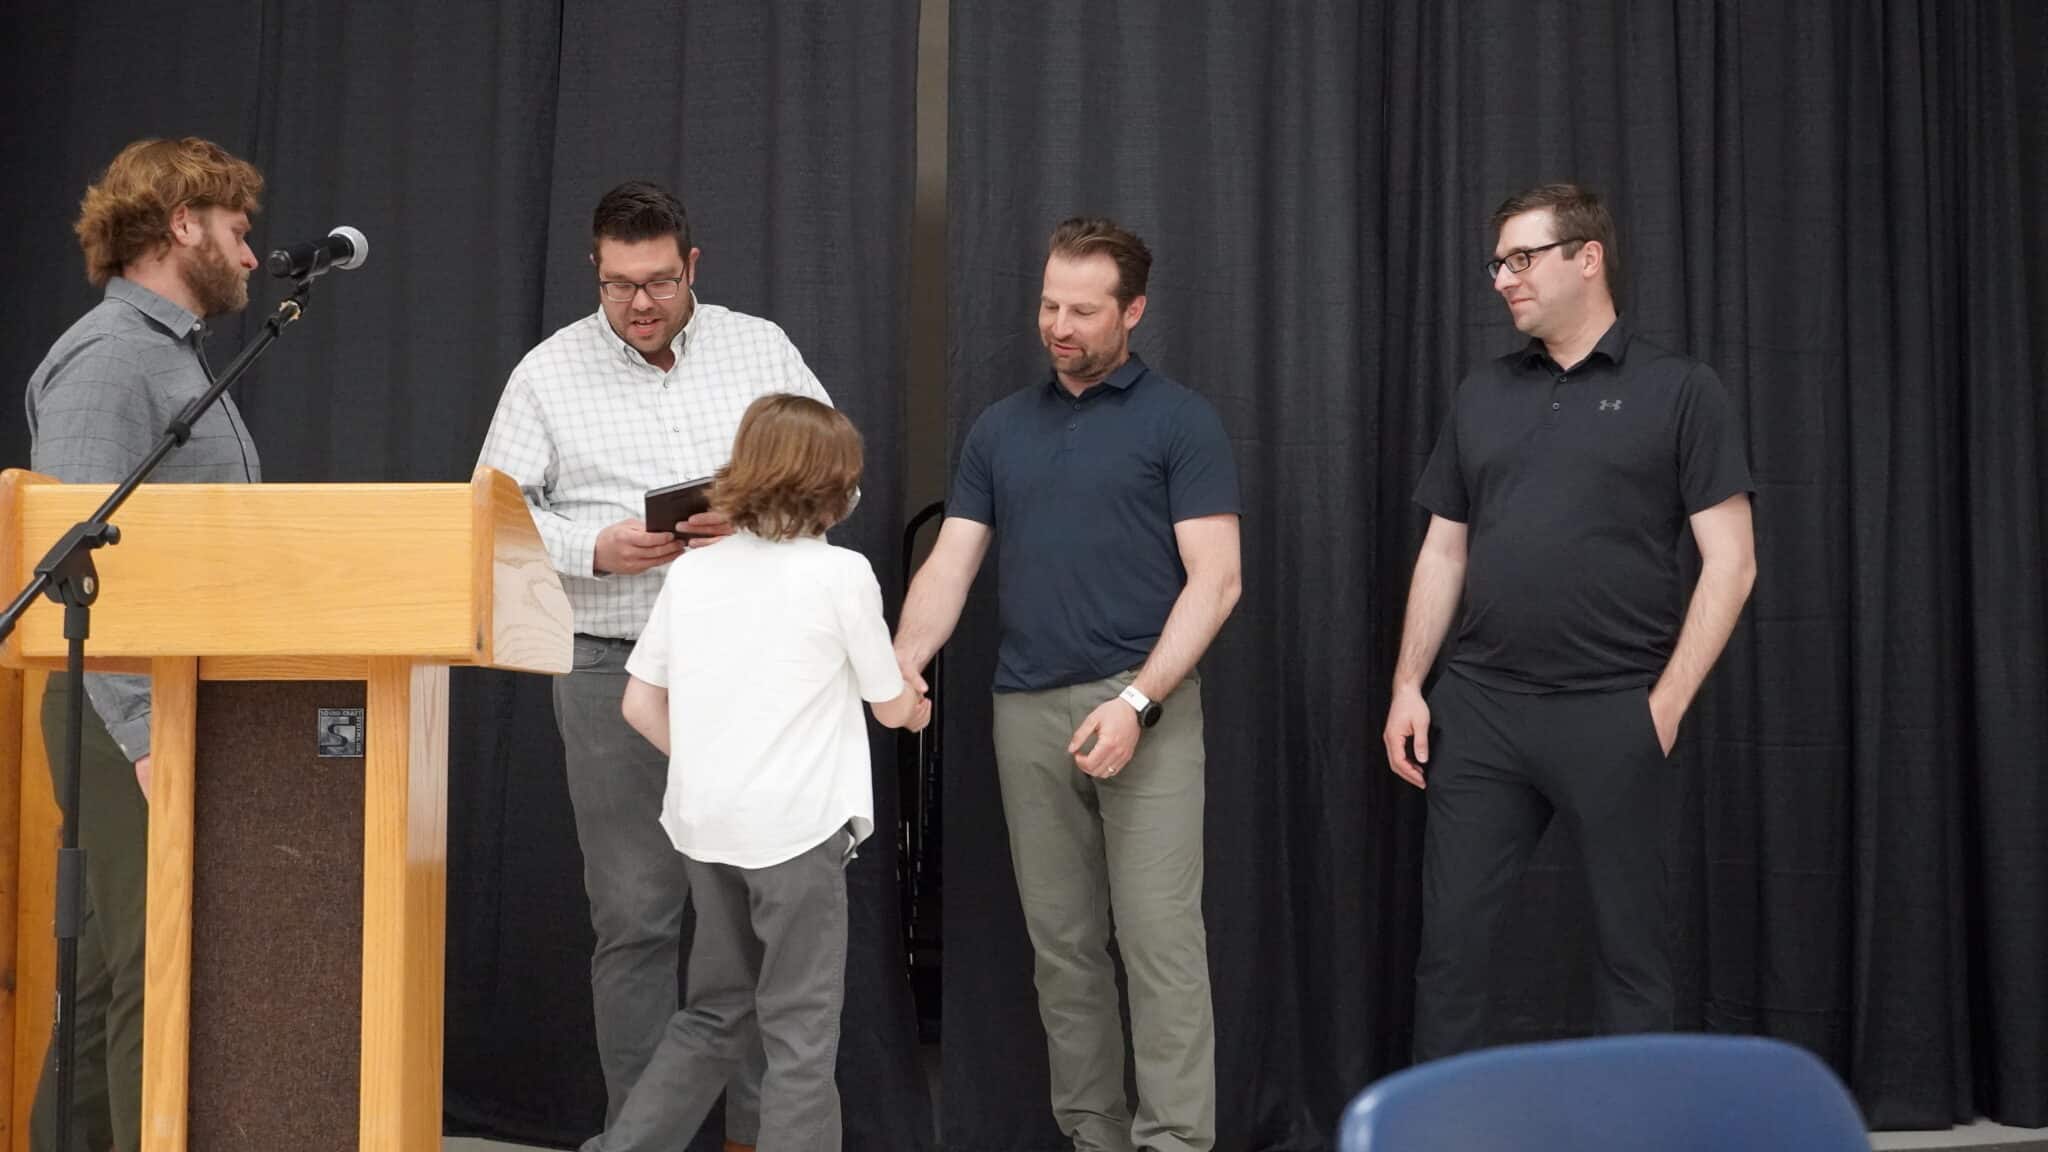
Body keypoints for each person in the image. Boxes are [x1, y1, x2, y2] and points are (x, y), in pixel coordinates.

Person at [477, 179, 835, 1151]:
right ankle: (640, 1141)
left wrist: (753, 517)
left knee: (760, 920)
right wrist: (596, 548)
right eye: (618, 285)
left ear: (692, 266)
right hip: (612, 667)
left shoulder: (760, 349)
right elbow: (489, 516)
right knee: (636, 918)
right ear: (594, 273)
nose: (639, 304)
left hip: (754, 675)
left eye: (659, 283)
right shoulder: (548, 373)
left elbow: (833, 479)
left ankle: (758, 1138)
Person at [1383, 183, 1757, 1062]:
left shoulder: (1680, 390)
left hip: (1613, 711)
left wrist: (1662, 708)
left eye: (1522, 258)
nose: (1503, 279)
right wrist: (1408, 686)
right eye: (1497, 263)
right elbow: (1444, 550)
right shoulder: (1482, 394)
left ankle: (1633, 1124)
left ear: (1587, 258)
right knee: (1451, 954)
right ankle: (1450, 1125)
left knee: (1633, 958)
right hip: (1480, 710)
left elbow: (1732, 562)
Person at [894, 217, 1241, 1152]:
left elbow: (1217, 581)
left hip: (1144, 703)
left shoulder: (1180, 421)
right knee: (1063, 948)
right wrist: (902, 663)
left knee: (1160, 942)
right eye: (1049, 305)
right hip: (1025, 708)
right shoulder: (1000, 428)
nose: (1058, 326)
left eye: (1083, 310)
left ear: (1133, 310)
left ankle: (1174, 1143)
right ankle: (1094, 1138)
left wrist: (1138, 703)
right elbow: (950, 565)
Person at [586, 392, 928, 1152]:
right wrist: (916, 708)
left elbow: (639, 705)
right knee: (799, 1029)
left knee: (714, 1012)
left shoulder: (694, 575)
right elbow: (888, 705)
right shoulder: (840, 573)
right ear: (831, 485)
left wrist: (712, 758)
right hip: (797, 833)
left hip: (706, 825)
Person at [22, 136, 265, 1152]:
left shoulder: (171, 355)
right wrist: (142, 732)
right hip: (118, 703)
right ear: (181, 224)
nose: (250, 256)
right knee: (151, 968)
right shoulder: (113, 359)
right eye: (237, 231)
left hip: (156, 699)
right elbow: (77, 564)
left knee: (111, 977)